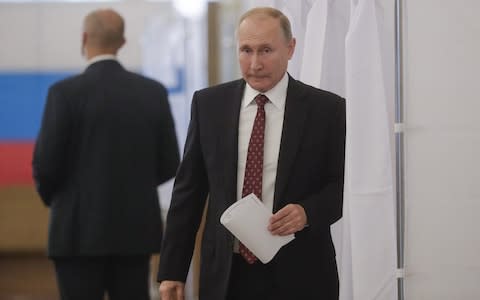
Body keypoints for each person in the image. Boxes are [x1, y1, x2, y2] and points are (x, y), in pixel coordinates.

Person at [157, 6, 345, 300]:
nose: (255, 63)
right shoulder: (209, 105)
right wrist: (172, 271)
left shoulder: (327, 110)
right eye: (246, 50)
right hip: (227, 274)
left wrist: (308, 212)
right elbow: (188, 193)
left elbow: (343, 186)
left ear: (291, 48)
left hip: (302, 272)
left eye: (266, 50)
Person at [32, 8, 180, 300]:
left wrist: (60, 201)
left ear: (84, 38)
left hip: (75, 233)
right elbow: (170, 162)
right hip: (135, 233)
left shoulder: (63, 93)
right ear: (122, 42)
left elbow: (45, 164)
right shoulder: (152, 93)